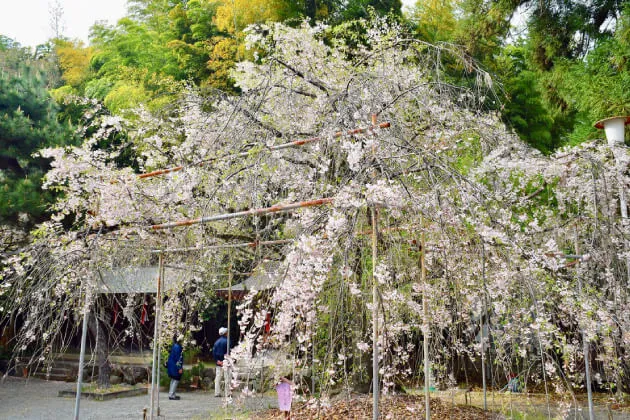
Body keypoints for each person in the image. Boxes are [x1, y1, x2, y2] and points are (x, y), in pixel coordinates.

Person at [213, 327, 231, 397]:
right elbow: (229, 352)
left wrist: (217, 360)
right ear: (226, 333)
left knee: (218, 378)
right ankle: (227, 393)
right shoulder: (228, 341)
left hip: (218, 362)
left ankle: (217, 392)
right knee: (227, 378)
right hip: (226, 362)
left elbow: (214, 353)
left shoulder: (216, 342)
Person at [166, 335, 184, 400]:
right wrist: (179, 368)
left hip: (172, 365)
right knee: (176, 379)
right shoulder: (178, 347)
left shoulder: (175, 346)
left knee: (173, 379)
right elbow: (178, 358)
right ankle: (171, 395)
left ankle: (172, 393)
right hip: (175, 366)